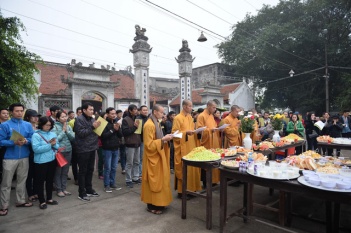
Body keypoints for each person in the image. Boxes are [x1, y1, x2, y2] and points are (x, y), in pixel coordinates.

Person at [0, 103, 34, 216]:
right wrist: (13, 142)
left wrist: (26, 141)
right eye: (17, 111)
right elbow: (1, 141)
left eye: (21, 111)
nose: (19, 113)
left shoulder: (27, 125)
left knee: (22, 180)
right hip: (10, 158)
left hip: (24, 156)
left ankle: (20, 201)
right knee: (6, 183)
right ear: (11, 112)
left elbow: (32, 138)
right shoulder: (5, 125)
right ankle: (4, 206)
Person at [141, 104, 173, 215]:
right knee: (154, 182)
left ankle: (161, 202)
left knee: (161, 180)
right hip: (152, 158)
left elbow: (158, 138)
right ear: (155, 112)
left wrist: (166, 137)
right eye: (161, 112)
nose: (163, 114)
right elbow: (148, 145)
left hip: (159, 156)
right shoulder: (149, 125)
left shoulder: (157, 122)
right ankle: (152, 205)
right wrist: (163, 140)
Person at [172, 100, 201, 199]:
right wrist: (185, 133)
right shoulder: (177, 118)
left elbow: (191, 130)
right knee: (184, 169)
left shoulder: (190, 117)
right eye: (189, 106)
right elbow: (174, 135)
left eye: (191, 106)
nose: (191, 108)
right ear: (184, 106)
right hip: (183, 147)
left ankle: (191, 189)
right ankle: (182, 192)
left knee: (192, 168)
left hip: (191, 146)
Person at [74, 102, 101, 201]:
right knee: (82, 171)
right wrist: (93, 127)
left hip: (92, 147)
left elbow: (94, 131)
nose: (92, 111)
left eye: (92, 110)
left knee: (90, 169)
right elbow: (81, 133)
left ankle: (89, 189)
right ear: (84, 110)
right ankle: (82, 192)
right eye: (90, 109)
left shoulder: (92, 118)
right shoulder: (79, 120)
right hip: (83, 149)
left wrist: (98, 127)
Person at [32, 117, 60, 209]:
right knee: (40, 181)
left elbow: (57, 146)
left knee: (50, 180)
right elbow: (36, 149)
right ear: (41, 124)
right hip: (41, 161)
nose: (48, 127)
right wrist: (49, 145)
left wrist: (54, 144)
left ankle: (49, 198)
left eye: (50, 125)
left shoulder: (52, 134)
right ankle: (42, 201)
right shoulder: (36, 135)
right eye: (46, 125)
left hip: (51, 160)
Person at [196, 100, 221, 185]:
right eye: (213, 107)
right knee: (206, 161)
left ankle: (213, 180)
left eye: (215, 107)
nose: (215, 109)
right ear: (208, 106)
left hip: (213, 141)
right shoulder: (201, 116)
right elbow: (199, 130)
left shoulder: (211, 116)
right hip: (206, 142)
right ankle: (206, 182)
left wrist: (215, 129)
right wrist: (210, 130)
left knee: (213, 161)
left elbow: (214, 126)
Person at [52, 111, 75, 197]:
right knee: (58, 171)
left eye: (65, 116)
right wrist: (63, 131)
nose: (65, 118)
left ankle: (64, 188)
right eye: (62, 117)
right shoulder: (54, 127)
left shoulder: (69, 126)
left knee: (65, 171)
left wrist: (67, 131)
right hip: (59, 152)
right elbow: (55, 140)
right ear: (57, 118)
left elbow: (73, 138)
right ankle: (59, 189)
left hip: (68, 150)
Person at [101, 107, 123, 193]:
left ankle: (112, 183)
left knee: (114, 167)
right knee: (107, 168)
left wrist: (118, 128)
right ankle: (106, 185)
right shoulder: (104, 123)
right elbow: (103, 136)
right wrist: (113, 129)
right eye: (112, 114)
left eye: (115, 114)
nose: (114, 115)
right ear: (107, 114)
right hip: (107, 149)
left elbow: (120, 135)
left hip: (115, 148)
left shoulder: (117, 122)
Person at [122, 104, 141, 188]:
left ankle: (136, 177)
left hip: (137, 143)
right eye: (134, 109)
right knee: (129, 163)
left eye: (137, 109)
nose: (136, 111)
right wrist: (134, 127)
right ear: (130, 111)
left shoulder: (137, 119)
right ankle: (128, 179)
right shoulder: (125, 120)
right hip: (130, 144)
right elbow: (125, 132)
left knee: (137, 161)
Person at [23, 109, 41, 202]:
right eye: (33, 116)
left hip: (38, 153)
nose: (36, 118)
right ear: (27, 117)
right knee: (29, 174)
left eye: (37, 116)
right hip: (28, 152)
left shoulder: (38, 127)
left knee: (37, 174)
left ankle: (36, 191)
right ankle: (30, 193)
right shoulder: (25, 127)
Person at [68, 107, 82, 185]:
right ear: (77, 113)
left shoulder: (85, 121)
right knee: (74, 162)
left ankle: (81, 177)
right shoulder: (72, 122)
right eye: (79, 112)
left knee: (81, 163)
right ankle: (76, 178)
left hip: (83, 145)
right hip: (74, 144)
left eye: (81, 112)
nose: (80, 114)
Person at [136, 105, 148, 178]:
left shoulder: (148, 118)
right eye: (144, 110)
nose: (145, 111)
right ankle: (140, 173)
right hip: (141, 140)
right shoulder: (138, 119)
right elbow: (138, 132)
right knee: (140, 158)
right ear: (140, 111)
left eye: (146, 110)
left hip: (147, 140)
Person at [0, 108, 9, 184]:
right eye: (4, 113)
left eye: (7, 113)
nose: (6, 115)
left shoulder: (9, 125)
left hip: (7, 148)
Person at [116, 110, 126, 174]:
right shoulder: (115, 121)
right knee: (118, 153)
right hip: (117, 140)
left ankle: (123, 168)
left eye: (121, 113)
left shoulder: (123, 120)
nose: (121, 115)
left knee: (123, 154)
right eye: (119, 114)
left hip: (122, 138)